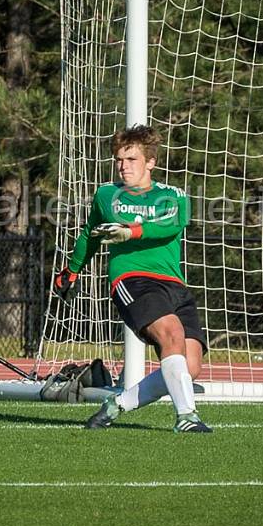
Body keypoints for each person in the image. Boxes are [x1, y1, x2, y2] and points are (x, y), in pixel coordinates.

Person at [53, 125, 211, 433]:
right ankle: (187, 417)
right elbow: (90, 235)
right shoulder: (107, 195)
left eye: (132, 159)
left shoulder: (172, 196)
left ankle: (117, 405)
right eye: (119, 160)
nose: (123, 166)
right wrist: (71, 272)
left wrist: (132, 231)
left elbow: (171, 224)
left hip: (174, 285)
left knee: (189, 367)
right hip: (132, 279)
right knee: (171, 333)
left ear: (151, 161)